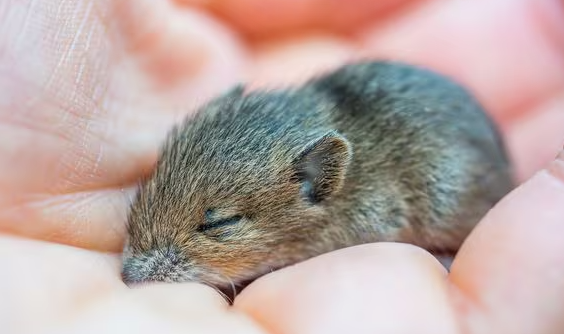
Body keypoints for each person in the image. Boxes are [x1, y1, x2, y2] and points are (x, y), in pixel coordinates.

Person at [1, 0, 563, 333]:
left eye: (215, 224)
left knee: (441, 193)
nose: (141, 266)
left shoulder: (334, 196)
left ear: (315, 182)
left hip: (442, 143)